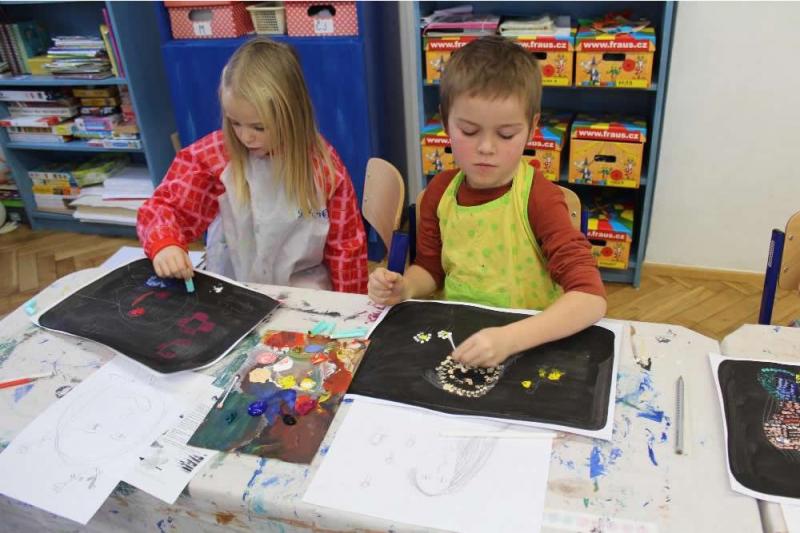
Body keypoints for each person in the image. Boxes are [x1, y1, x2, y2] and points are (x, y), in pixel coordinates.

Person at [369, 36, 607, 367]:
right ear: (445, 121)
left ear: (532, 129)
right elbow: (432, 269)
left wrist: (509, 339)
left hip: (527, 345)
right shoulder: (440, 192)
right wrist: (406, 287)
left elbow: (591, 298)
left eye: (506, 134)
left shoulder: (538, 198)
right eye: (469, 131)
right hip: (458, 341)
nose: (486, 148)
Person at [137, 38, 368, 293]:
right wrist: (166, 244)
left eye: (259, 127)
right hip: (233, 288)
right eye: (235, 123)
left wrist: (351, 307)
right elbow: (163, 207)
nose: (245, 137)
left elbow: (347, 249)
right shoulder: (214, 156)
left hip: (302, 294)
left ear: (292, 116)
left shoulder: (324, 168)